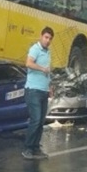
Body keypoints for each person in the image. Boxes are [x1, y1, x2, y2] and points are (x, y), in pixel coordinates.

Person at [22, 26, 54, 160]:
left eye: (50, 39)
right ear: (41, 36)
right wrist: (42, 69)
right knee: (35, 119)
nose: (47, 41)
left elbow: (48, 71)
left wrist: (50, 86)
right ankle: (28, 148)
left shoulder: (48, 52)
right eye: (46, 37)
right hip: (33, 90)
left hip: (43, 90)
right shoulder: (35, 49)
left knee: (41, 121)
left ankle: (35, 147)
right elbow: (28, 63)